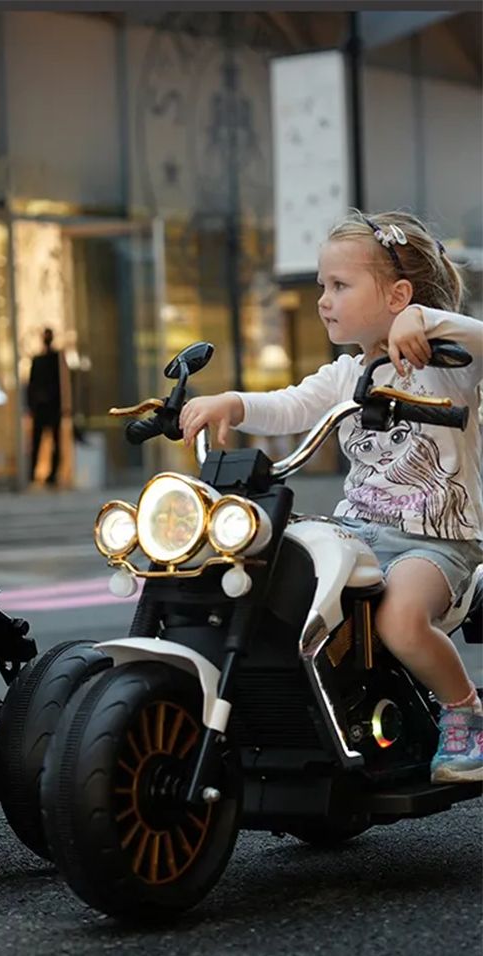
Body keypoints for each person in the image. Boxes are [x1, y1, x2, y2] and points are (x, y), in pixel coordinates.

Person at [179, 209, 483, 783]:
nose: (323, 299)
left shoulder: (449, 366)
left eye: (339, 286)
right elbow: (290, 404)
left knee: (398, 622)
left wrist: (427, 320)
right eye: (322, 285)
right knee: (272, 580)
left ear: (397, 296)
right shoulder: (347, 373)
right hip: (358, 530)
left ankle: (465, 710)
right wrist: (233, 405)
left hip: (435, 541)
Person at [26, 327, 66, 485]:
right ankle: (33, 472)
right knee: (37, 442)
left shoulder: (56, 359)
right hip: (41, 407)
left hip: (52, 407)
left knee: (54, 442)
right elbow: (32, 385)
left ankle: (53, 474)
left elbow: (62, 385)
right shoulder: (39, 360)